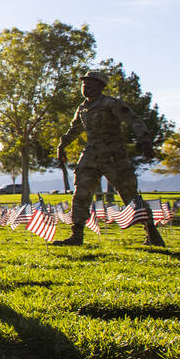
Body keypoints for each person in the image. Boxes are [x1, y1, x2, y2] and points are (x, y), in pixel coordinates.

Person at [53, 70, 165, 246]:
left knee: (129, 195)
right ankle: (77, 234)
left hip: (113, 156)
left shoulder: (111, 104)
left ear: (100, 86)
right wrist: (62, 145)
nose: (86, 87)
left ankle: (152, 233)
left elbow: (134, 120)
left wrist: (144, 140)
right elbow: (74, 129)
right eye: (84, 84)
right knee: (80, 193)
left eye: (90, 84)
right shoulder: (82, 108)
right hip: (90, 156)